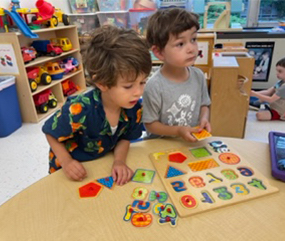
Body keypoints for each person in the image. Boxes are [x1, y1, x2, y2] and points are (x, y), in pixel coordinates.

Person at [42, 25, 152, 185]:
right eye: (128, 86)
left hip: (100, 164)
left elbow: (125, 137)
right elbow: (50, 132)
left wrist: (119, 161)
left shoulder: (135, 108)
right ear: (102, 83)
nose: (138, 92)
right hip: (71, 168)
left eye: (142, 82)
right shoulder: (79, 109)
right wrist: (66, 162)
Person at [142, 8, 211, 142]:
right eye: (180, 44)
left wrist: (204, 119)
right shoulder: (154, 86)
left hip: (190, 143)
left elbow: (204, 105)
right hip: (160, 146)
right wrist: (178, 131)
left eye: (193, 39)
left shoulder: (199, 76)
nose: (191, 49)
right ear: (159, 53)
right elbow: (150, 124)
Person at [250, 56, 285, 121]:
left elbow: (270, 100)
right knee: (267, 95)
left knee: (259, 115)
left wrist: (254, 94)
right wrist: (252, 93)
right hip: (276, 106)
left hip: (282, 113)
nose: (277, 74)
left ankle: (263, 108)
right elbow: (268, 92)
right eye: (277, 71)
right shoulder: (281, 82)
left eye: (280, 71)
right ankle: (257, 104)